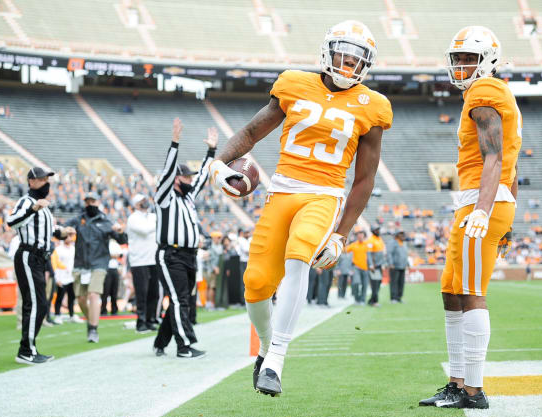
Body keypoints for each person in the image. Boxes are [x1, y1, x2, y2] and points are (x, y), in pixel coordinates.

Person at [208, 20, 392, 396]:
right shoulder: (293, 83)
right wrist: (217, 163)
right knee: (256, 284)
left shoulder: (372, 106)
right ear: (328, 52)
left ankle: (276, 358)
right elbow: (249, 134)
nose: (348, 65)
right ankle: (266, 345)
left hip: (323, 196)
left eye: (358, 60)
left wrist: (341, 235)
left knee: (300, 253)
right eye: (343, 54)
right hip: (282, 191)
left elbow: (365, 180)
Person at [420, 26, 521, 410]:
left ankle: (474, 391)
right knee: (452, 289)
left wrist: (484, 209)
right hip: (478, 200)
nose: (462, 66)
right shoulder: (487, 93)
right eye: (458, 58)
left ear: (488, 61)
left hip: (483, 201)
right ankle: (457, 382)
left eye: (470, 59)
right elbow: (511, 166)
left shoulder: (484, 91)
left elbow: (495, 157)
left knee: (472, 292)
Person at [151, 121, 215, 359]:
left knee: (182, 299)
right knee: (180, 300)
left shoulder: (188, 199)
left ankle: (161, 341)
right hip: (171, 254)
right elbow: (167, 173)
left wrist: (211, 152)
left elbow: (203, 177)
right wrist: (175, 143)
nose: (190, 180)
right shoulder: (165, 197)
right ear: (177, 180)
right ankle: (184, 346)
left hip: (189, 255)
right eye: (186, 177)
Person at [7, 167, 74, 365]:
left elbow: (47, 229)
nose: (46, 183)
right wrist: (33, 208)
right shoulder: (26, 202)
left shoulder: (44, 206)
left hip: (40, 258)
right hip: (28, 255)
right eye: (42, 179)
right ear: (31, 182)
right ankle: (26, 350)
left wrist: (61, 232)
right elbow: (12, 221)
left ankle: (28, 348)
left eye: (47, 179)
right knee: (36, 304)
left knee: (41, 304)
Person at [66, 192, 127, 343]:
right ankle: (91, 321)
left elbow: (121, 240)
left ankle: (93, 329)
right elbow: (63, 231)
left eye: (92, 201)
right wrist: (64, 231)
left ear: (97, 202)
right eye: (87, 201)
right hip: (80, 264)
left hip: (99, 263)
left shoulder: (105, 220)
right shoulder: (78, 219)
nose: (89, 204)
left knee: (94, 295)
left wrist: (121, 232)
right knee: (80, 299)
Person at [127, 194, 159, 332]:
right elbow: (145, 230)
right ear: (136, 204)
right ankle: (141, 322)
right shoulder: (133, 218)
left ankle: (150, 319)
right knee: (142, 293)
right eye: (142, 201)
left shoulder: (152, 217)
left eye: (146, 200)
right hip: (139, 260)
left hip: (153, 258)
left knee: (154, 292)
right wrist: (157, 223)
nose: (145, 202)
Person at [52, 232, 81, 324]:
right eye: (68, 236)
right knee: (60, 296)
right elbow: (55, 264)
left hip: (71, 276)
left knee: (71, 297)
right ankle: (57, 315)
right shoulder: (58, 249)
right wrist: (57, 278)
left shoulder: (73, 249)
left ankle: (71, 315)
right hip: (62, 276)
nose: (70, 238)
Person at [344, 229, 370, 304]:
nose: (360, 236)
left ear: (364, 236)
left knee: (365, 285)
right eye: (358, 235)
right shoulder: (353, 245)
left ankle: (362, 300)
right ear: (357, 236)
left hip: (366, 268)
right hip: (356, 268)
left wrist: (371, 265)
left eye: (361, 234)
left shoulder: (367, 245)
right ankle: (357, 298)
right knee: (356, 283)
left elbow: (370, 256)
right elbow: (345, 250)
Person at [101, 240, 123, 316]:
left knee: (114, 291)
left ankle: (114, 309)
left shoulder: (116, 244)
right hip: (107, 268)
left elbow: (120, 255)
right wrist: (112, 255)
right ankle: (103, 309)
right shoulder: (104, 243)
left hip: (115, 268)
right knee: (105, 291)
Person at [366, 225, 386, 306]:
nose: (378, 231)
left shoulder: (379, 239)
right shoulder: (370, 240)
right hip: (374, 266)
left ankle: (371, 300)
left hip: (379, 265)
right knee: (375, 283)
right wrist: (371, 265)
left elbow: (381, 252)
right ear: (373, 231)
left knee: (378, 282)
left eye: (378, 229)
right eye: (377, 230)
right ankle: (374, 301)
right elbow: (369, 254)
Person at [388, 230, 408, 303]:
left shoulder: (404, 243)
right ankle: (393, 298)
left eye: (403, 234)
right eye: (401, 234)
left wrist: (407, 263)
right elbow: (389, 253)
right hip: (395, 266)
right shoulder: (392, 243)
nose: (403, 236)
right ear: (397, 235)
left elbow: (405, 255)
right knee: (394, 282)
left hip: (402, 266)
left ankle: (399, 297)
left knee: (401, 282)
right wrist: (391, 263)